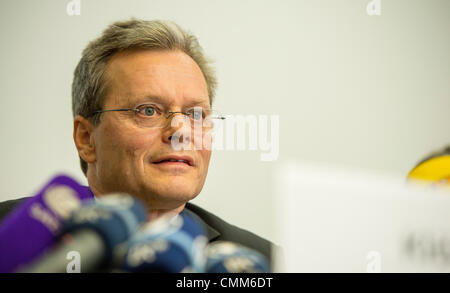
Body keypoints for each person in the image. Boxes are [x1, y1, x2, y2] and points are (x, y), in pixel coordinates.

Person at [0, 19, 273, 264]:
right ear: (86, 139)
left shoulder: (263, 262)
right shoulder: (10, 237)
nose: (180, 132)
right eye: (148, 110)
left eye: (196, 114)